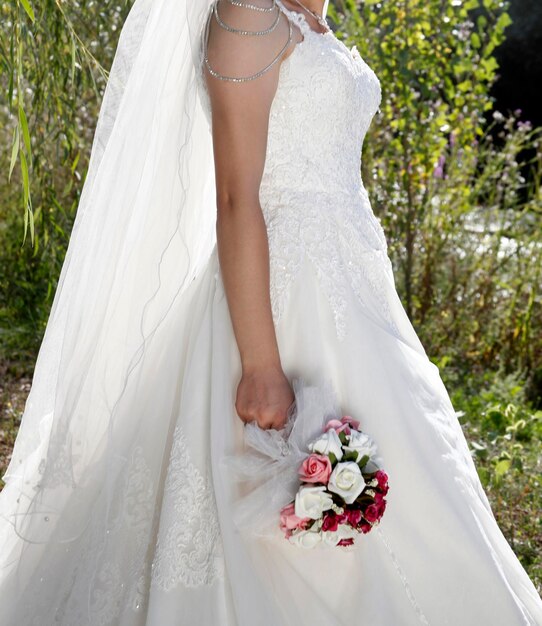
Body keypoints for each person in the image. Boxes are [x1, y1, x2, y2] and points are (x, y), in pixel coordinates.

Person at [1, 0, 541, 624]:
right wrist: (260, 365)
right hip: (282, 298)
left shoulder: (314, 19)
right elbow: (236, 197)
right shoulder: (247, 14)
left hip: (354, 290)